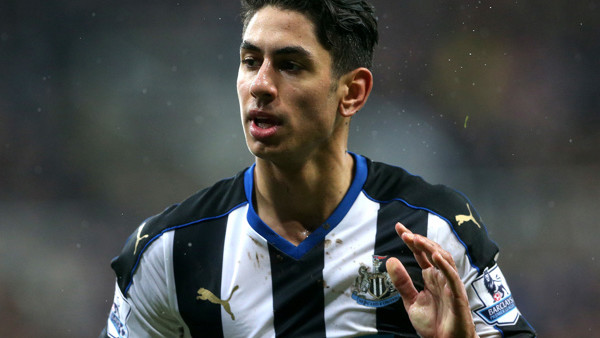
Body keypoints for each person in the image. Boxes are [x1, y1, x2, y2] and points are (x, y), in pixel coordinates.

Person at [102, 0, 536, 337]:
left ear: (352, 92)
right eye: (251, 61)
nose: (261, 86)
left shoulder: (435, 231)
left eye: (290, 65)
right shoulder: (171, 251)